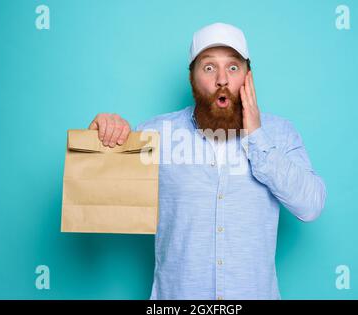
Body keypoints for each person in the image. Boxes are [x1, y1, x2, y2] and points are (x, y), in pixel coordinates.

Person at [88, 22, 327, 300]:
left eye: (233, 67)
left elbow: (311, 205)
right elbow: (102, 198)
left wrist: (257, 138)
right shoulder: (156, 134)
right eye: (209, 67)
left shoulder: (280, 134)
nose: (222, 79)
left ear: (248, 77)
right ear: (192, 77)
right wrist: (104, 138)